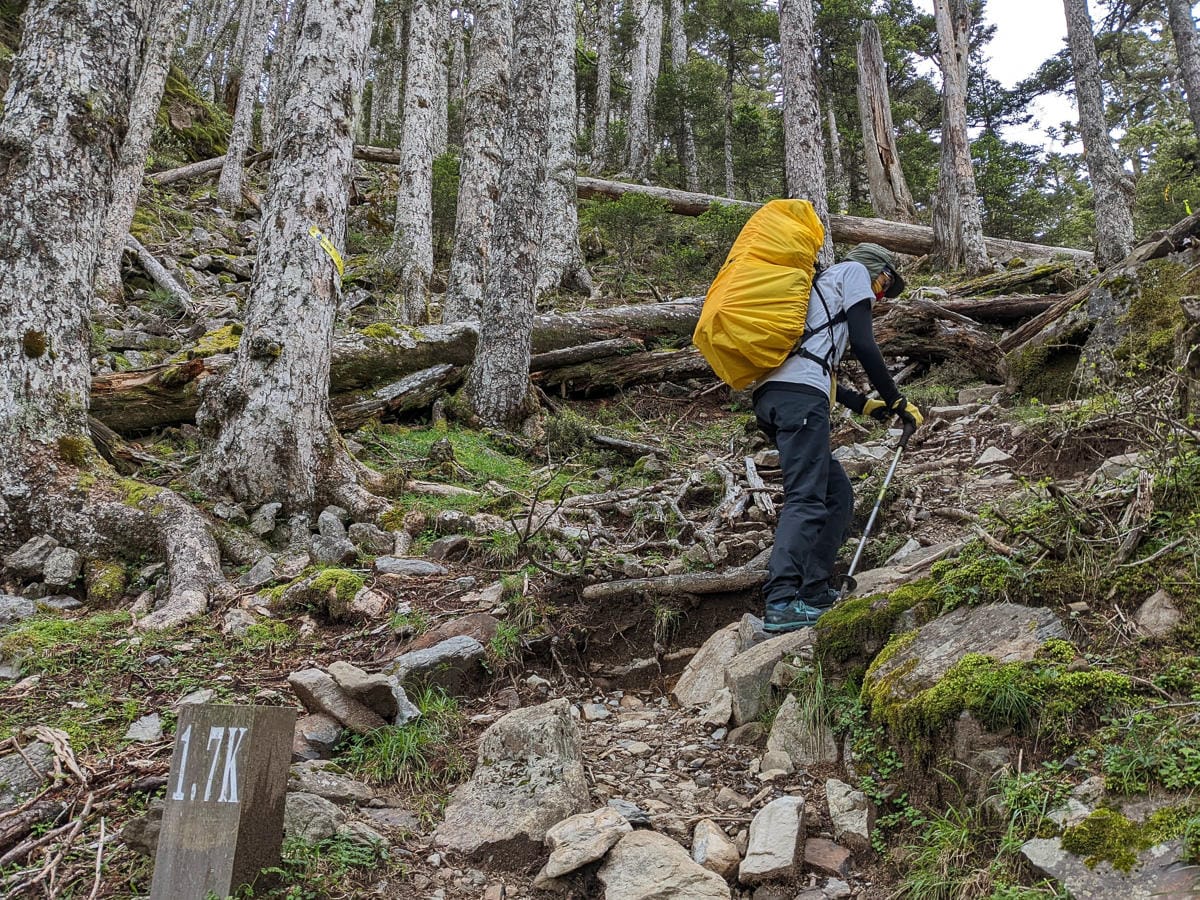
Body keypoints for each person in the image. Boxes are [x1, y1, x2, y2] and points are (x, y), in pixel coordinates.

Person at [752, 242, 924, 633]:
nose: (881, 296)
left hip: (776, 396)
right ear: (877, 271)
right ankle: (781, 602)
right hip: (799, 399)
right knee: (806, 497)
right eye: (885, 285)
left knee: (836, 492)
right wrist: (896, 399)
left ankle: (813, 590)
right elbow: (865, 344)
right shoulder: (853, 273)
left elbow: (815, 363)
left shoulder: (821, 291)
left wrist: (865, 405)